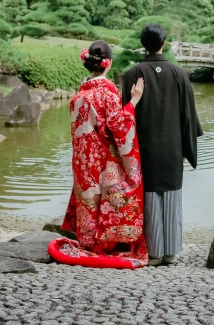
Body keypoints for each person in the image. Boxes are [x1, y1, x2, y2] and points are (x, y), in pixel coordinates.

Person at [53, 40, 149, 269]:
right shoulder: (108, 93)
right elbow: (119, 126)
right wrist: (134, 101)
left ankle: (88, 241)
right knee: (112, 192)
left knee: (88, 197)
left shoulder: (80, 94)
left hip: (83, 158)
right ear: (108, 63)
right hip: (103, 158)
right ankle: (106, 242)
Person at [121, 23, 203, 266]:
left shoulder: (133, 74)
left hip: (143, 150)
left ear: (143, 45)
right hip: (172, 148)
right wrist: (186, 149)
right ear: (164, 43)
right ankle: (171, 253)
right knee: (171, 195)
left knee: (149, 197)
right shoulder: (179, 74)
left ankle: (154, 252)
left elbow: (125, 118)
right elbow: (188, 115)